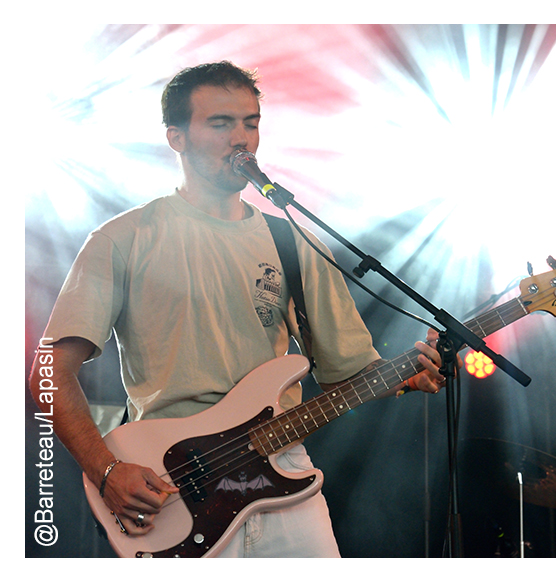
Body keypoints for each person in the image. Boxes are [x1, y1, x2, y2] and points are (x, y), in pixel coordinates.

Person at [28, 61, 446, 557]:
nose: (242, 138)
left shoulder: (293, 241)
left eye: (251, 122)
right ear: (176, 138)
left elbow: (345, 373)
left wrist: (401, 376)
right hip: (170, 483)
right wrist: (108, 469)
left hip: (283, 470)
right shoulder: (124, 238)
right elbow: (49, 371)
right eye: (221, 123)